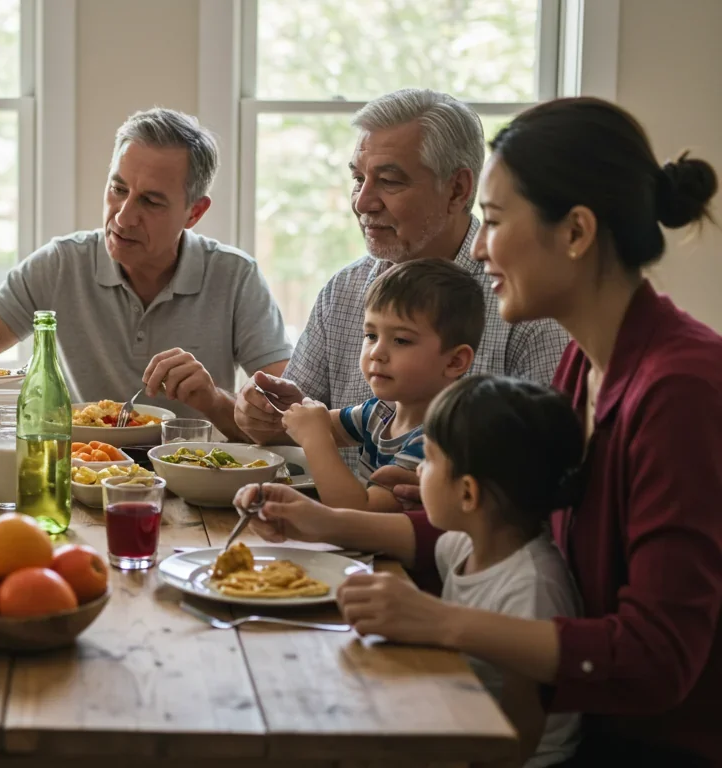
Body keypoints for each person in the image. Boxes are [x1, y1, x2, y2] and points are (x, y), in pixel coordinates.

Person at [238, 97, 722, 765]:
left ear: (576, 232)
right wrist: (321, 521)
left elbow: (657, 658)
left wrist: (439, 620)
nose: (481, 247)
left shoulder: (681, 389)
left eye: (493, 222)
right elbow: (505, 518)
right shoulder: (587, 362)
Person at [237, 375, 584, 767]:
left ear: (467, 493)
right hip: (463, 720)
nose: (418, 473)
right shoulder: (465, 543)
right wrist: (302, 515)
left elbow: (521, 733)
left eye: (430, 459)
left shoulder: (530, 587)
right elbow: (370, 534)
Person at [236, 88, 569, 471]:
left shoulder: (527, 302)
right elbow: (294, 426)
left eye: (389, 182)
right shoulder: (344, 290)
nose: (363, 202)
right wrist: (266, 413)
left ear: (457, 190)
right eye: (359, 178)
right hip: (326, 525)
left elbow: (551, 463)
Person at [0, 107, 291, 440]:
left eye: (150, 201)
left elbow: (287, 421)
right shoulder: (59, 264)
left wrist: (211, 400)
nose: (123, 216)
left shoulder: (236, 277)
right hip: (76, 476)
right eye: (118, 189)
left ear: (194, 213)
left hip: (192, 482)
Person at [282, 259, 482, 512]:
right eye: (371, 336)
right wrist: (298, 416)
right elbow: (320, 422)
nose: (376, 353)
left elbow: (359, 513)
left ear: (455, 361)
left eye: (400, 340)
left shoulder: (439, 439)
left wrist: (315, 439)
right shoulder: (380, 412)